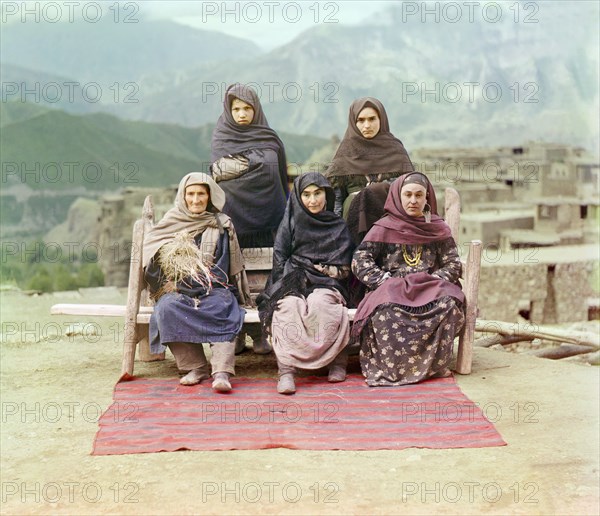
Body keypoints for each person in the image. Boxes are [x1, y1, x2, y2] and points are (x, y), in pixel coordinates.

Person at [351, 172, 465, 386]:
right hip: (392, 289)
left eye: (419, 195)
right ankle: (392, 370)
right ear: (398, 197)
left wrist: (435, 279)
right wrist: (383, 280)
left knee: (449, 306)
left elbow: (453, 262)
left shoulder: (437, 228)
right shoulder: (383, 227)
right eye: (408, 195)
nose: (413, 201)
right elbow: (360, 259)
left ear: (427, 198)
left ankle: (432, 367)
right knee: (385, 312)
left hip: (429, 288)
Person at [143, 172, 252, 393]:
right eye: (190, 194)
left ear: (209, 196)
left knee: (223, 306)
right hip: (176, 290)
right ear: (182, 197)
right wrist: (173, 279)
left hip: (213, 288)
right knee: (166, 308)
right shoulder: (169, 224)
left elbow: (222, 269)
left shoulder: (220, 225)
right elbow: (152, 266)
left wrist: (193, 285)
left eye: (201, 194)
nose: (195, 200)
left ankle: (221, 371)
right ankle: (196, 366)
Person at [257, 172, 355, 394]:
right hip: (294, 278)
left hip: (328, 282)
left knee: (323, 305)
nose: (313, 200)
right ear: (298, 197)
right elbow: (280, 260)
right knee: (288, 307)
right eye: (307, 194)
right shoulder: (290, 223)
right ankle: (286, 371)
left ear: (327, 194)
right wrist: (286, 287)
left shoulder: (337, 225)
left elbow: (345, 267)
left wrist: (325, 271)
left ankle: (336, 362)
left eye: (318, 193)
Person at [210, 82, 289, 249]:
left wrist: (242, 165)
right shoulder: (222, 137)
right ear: (229, 111)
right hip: (232, 225)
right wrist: (260, 162)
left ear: (256, 109)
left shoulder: (269, 138)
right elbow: (218, 170)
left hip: (270, 226)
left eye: (247, 108)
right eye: (236, 109)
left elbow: (276, 171)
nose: (242, 114)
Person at [325, 97, 414, 225]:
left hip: (391, 223)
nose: (367, 125)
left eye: (372, 119)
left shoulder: (396, 150)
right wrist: (338, 232)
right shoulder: (345, 153)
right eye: (360, 120)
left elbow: (407, 192)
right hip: (352, 225)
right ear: (353, 122)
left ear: (381, 119)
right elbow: (336, 201)